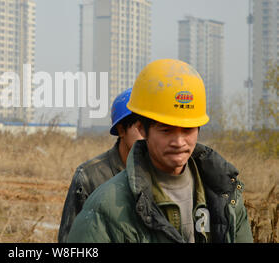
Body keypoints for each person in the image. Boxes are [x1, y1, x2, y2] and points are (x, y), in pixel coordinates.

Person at [67, 59, 253, 243]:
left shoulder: (225, 195)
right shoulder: (105, 209)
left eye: (188, 129)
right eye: (166, 130)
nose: (179, 142)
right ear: (142, 129)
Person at [57, 88, 143, 242]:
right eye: (141, 128)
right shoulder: (90, 176)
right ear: (121, 129)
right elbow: (69, 237)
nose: (149, 136)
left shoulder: (164, 172)